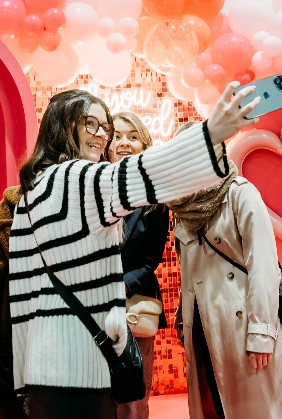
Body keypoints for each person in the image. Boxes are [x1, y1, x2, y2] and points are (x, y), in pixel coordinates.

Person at [0, 82, 261, 419]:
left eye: (106, 127)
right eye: (91, 124)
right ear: (61, 127)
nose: (103, 135)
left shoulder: (66, 195)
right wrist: (213, 131)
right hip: (49, 372)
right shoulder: (44, 198)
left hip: (66, 368)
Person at [169, 122, 282, 419]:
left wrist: (260, 333)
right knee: (213, 408)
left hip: (241, 324)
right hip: (203, 326)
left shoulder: (240, 194)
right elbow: (189, 271)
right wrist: (184, 320)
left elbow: (264, 267)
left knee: (259, 409)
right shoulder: (181, 207)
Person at [108, 111, 169, 419]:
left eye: (132, 137)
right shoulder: (90, 192)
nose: (124, 143)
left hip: (135, 305)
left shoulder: (155, 202)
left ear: (144, 146)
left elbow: (150, 261)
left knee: (134, 395)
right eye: (117, 136)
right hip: (91, 305)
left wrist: (122, 282)